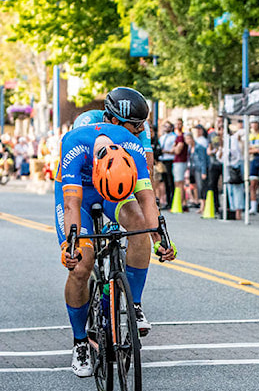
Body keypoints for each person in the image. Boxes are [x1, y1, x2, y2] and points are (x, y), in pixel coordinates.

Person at [56, 87, 177, 376]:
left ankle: (133, 304)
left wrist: (160, 239)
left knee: (139, 225)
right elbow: (71, 204)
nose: (142, 129)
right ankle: (80, 342)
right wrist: (71, 246)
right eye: (137, 124)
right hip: (80, 193)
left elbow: (148, 200)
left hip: (115, 188)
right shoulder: (74, 142)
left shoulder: (132, 144)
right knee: (82, 265)